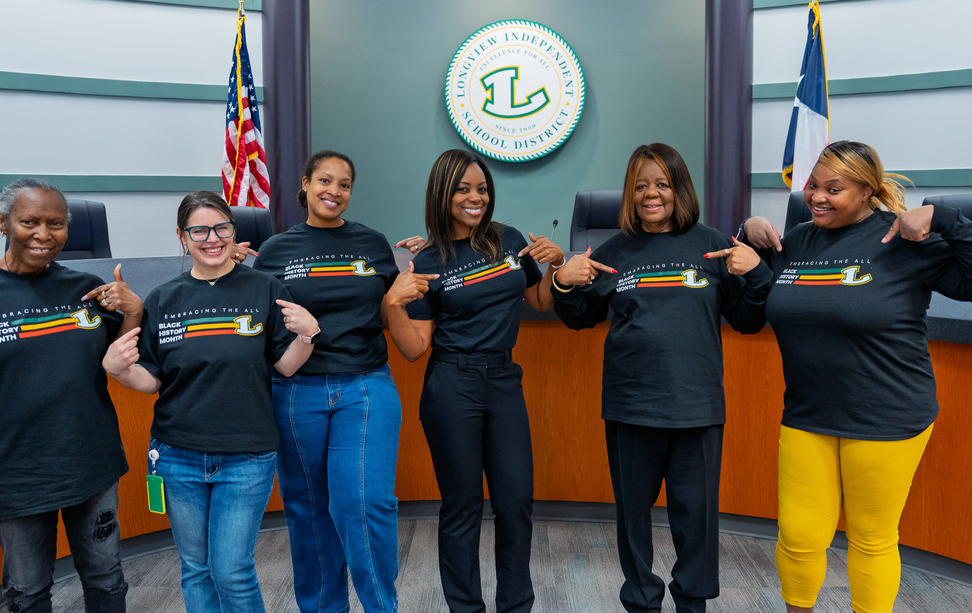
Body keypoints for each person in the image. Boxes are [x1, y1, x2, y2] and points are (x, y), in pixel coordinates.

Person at [738, 140, 972, 613]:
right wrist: (746, 233)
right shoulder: (798, 240)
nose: (818, 197)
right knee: (799, 536)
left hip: (887, 415)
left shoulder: (902, 239)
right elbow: (753, 299)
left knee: (871, 538)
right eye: (813, 186)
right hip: (808, 413)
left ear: (867, 191)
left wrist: (943, 217)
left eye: (834, 189)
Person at [548, 143, 771, 613]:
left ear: (679, 190)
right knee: (633, 518)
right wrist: (564, 283)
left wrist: (756, 276)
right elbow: (581, 317)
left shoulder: (712, 244)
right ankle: (642, 601)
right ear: (629, 194)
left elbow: (748, 321)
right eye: (641, 186)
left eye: (662, 184)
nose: (652, 194)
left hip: (697, 405)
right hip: (632, 406)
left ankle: (693, 603)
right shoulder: (612, 251)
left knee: (697, 519)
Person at [102, 191, 320, 613]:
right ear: (182, 237)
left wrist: (307, 335)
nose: (212, 238)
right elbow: (152, 381)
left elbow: (286, 367)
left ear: (234, 231)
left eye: (221, 228)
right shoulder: (163, 300)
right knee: (196, 569)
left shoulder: (265, 288)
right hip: (177, 454)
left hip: (246, 455)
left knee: (232, 571)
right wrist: (118, 369)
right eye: (198, 230)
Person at [250, 150, 432, 613]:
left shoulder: (373, 243)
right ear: (306, 185)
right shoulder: (275, 250)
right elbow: (257, 320)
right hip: (296, 394)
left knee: (365, 505)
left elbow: (397, 302)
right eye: (325, 181)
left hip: (365, 387)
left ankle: (381, 607)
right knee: (308, 513)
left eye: (344, 184)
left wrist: (428, 257)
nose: (334, 191)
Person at [384, 148, 565, 613]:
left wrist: (557, 267)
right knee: (462, 508)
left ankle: (515, 607)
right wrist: (392, 306)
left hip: (504, 379)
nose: (475, 198)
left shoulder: (508, 239)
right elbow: (413, 348)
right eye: (463, 189)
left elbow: (540, 301)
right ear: (443, 195)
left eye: (481, 189)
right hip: (452, 382)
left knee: (516, 503)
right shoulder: (427, 261)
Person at [0, 178, 140, 612]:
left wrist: (133, 312)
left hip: (90, 460)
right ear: (3, 222)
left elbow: (125, 358)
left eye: (55, 223)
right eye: (29, 221)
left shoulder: (86, 289)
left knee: (107, 577)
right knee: (27, 590)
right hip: (15, 472)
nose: (43, 233)